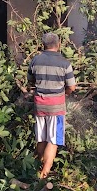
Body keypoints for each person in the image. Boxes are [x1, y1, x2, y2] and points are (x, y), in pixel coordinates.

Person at [27, 33, 76, 179]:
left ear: (43, 45)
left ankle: (36, 169)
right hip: (56, 107)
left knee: (41, 138)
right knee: (53, 140)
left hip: (39, 105)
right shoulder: (65, 63)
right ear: (58, 44)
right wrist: (64, 93)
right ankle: (44, 175)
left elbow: (30, 80)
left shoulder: (35, 60)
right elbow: (72, 87)